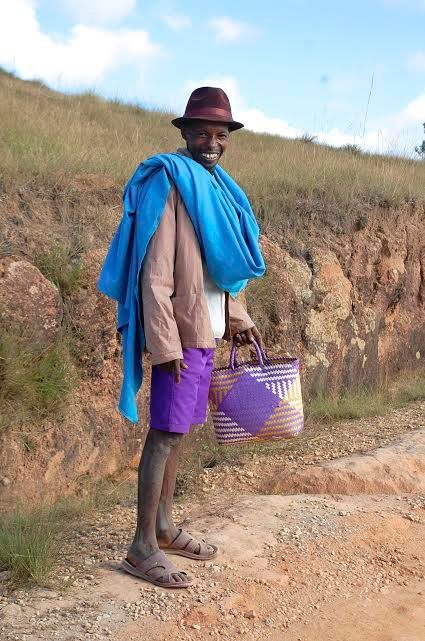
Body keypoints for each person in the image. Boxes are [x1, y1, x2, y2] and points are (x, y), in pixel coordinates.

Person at [98, 87, 265, 588]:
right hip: (182, 334)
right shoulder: (169, 183)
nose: (212, 142)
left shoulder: (216, 186)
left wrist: (239, 315)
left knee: (182, 432)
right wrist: (166, 345)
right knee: (164, 433)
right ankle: (141, 547)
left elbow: (217, 269)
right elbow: (155, 274)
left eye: (220, 134)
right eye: (202, 133)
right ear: (185, 134)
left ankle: (166, 528)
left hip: (209, 328)